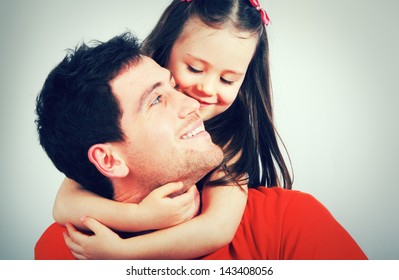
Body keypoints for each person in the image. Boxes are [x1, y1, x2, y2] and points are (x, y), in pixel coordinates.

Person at [34, 32, 367, 260]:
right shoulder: (63, 250)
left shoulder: (288, 222)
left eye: (173, 86)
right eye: (157, 100)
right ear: (108, 159)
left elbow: (217, 229)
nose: (194, 102)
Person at [51, 0, 288, 259]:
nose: (207, 90)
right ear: (164, 52)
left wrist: (125, 253)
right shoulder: (124, 110)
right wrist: (140, 216)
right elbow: (65, 204)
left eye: (227, 80)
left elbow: (217, 228)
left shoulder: (230, 139)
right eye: (195, 69)